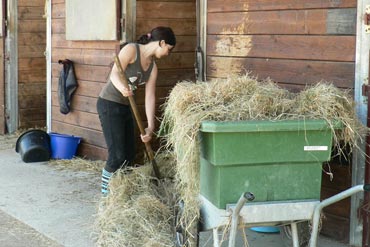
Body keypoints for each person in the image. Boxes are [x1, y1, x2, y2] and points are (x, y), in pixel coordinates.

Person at [97, 26, 176, 195]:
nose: (168, 53)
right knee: (117, 156)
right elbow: (114, 74)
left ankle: (121, 192)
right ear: (161, 43)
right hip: (109, 104)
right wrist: (122, 88)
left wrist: (150, 126)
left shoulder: (152, 68)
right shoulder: (131, 50)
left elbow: (150, 97)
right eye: (168, 49)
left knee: (129, 155)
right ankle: (105, 197)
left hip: (126, 106)